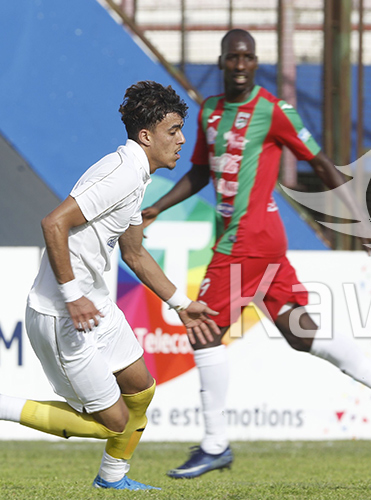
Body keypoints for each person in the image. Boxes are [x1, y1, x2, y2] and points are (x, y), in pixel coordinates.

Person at [141, 29, 371, 479]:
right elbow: (199, 172)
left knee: (203, 329)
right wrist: (156, 206)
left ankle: (215, 444)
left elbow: (321, 163)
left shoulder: (273, 111)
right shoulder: (210, 112)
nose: (239, 64)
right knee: (298, 332)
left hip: (247, 241)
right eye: (232, 57)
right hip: (255, 240)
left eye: (247, 57)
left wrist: (363, 224)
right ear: (221, 61)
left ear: (256, 63)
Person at [0, 81, 220, 490]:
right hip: (63, 316)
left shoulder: (137, 175)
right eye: (173, 130)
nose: (182, 139)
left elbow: (134, 254)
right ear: (146, 136)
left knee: (141, 390)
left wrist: (180, 303)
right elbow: (53, 223)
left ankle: (112, 478)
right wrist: (72, 296)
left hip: (96, 308)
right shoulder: (121, 173)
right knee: (113, 424)